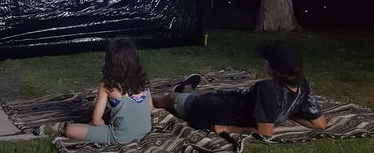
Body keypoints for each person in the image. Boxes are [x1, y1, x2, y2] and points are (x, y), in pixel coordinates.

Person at [152, 42, 327, 138]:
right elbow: (319, 123)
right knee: (201, 94)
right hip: (220, 100)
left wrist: (227, 129)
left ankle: (143, 97)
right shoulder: (303, 87)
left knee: (168, 98)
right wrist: (288, 111)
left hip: (206, 110)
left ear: (272, 69)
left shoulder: (268, 89)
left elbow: (265, 132)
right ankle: (186, 87)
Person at [64, 37, 153, 145]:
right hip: (146, 128)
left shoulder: (107, 85)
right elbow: (149, 108)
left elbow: (96, 121)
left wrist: (104, 130)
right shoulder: (142, 80)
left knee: (69, 129)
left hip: (120, 137)